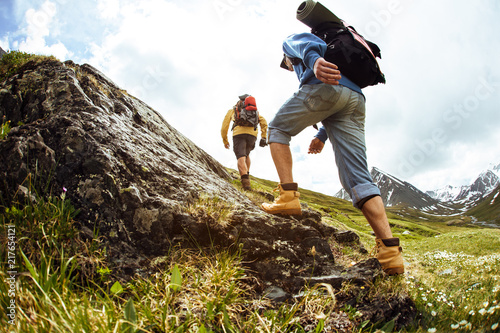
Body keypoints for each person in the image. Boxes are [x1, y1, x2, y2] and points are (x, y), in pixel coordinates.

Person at [260, 32, 404, 275]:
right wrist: (321, 135)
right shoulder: (342, 59)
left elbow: (307, 44)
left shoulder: (290, 44)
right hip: (355, 99)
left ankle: (287, 198)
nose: (287, 67)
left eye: (286, 65)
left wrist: (314, 62)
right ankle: (390, 254)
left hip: (325, 87)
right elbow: (337, 104)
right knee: (358, 179)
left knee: (277, 129)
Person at [221, 94, 268, 191]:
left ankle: (246, 185)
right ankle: (246, 174)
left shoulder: (233, 111)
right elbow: (264, 122)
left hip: (239, 134)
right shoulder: (254, 111)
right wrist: (263, 136)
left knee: (241, 157)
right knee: (246, 155)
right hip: (252, 135)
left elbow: (224, 126)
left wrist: (225, 140)